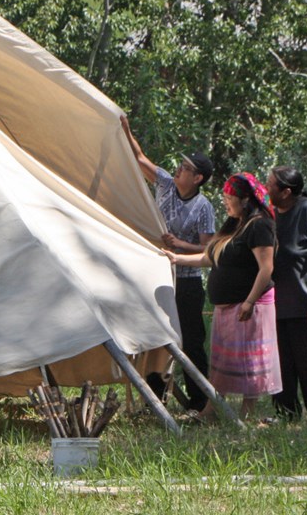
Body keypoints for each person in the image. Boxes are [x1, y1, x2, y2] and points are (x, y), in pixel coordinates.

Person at [120, 115, 215, 412]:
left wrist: (179, 245)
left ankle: (200, 401)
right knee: (154, 337)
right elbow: (138, 158)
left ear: (197, 178)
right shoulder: (164, 183)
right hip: (156, 276)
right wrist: (123, 127)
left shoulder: (203, 208)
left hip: (185, 281)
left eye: (186, 168)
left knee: (190, 340)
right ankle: (155, 396)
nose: (179, 169)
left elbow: (209, 251)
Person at [171, 173, 281, 420]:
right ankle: (211, 411)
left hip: (248, 305)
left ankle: (247, 413)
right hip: (227, 306)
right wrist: (175, 258)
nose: (225, 202)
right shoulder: (233, 225)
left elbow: (266, 268)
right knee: (223, 361)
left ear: (244, 200)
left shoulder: (259, 225)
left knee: (249, 360)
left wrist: (250, 301)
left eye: (229, 197)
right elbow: (209, 258)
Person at [267, 166, 307, 421]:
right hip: (274, 303)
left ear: (287, 191)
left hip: (304, 304)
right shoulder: (271, 215)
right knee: (280, 363)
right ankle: (285, 412)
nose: (266, 187)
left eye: (271, 184)